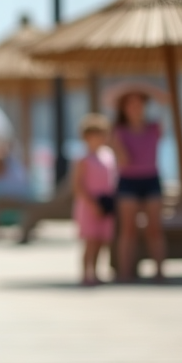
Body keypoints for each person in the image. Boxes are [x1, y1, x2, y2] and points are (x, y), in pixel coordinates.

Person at [110, 89, 167, 281]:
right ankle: (125, 273)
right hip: (128, 181)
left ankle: (159, 272)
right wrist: (117, 146)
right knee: (128, 229)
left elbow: (166, 102)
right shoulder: (119, 131)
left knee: (154, 228)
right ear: (124, 108)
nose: (135, 108)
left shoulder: (154, 127)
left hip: (151, 179)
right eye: (130, 104)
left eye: (139, 103)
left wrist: (145, 88)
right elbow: (123, 160)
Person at [72, 114, 119, 285]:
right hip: (89, 205)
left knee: (101, 240)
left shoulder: (109, 155)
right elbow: (77, 185)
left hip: (106, 202)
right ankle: (86, 273)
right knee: (90, 241)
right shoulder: (83, 158)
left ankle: (97, 272)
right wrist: (92, 204)